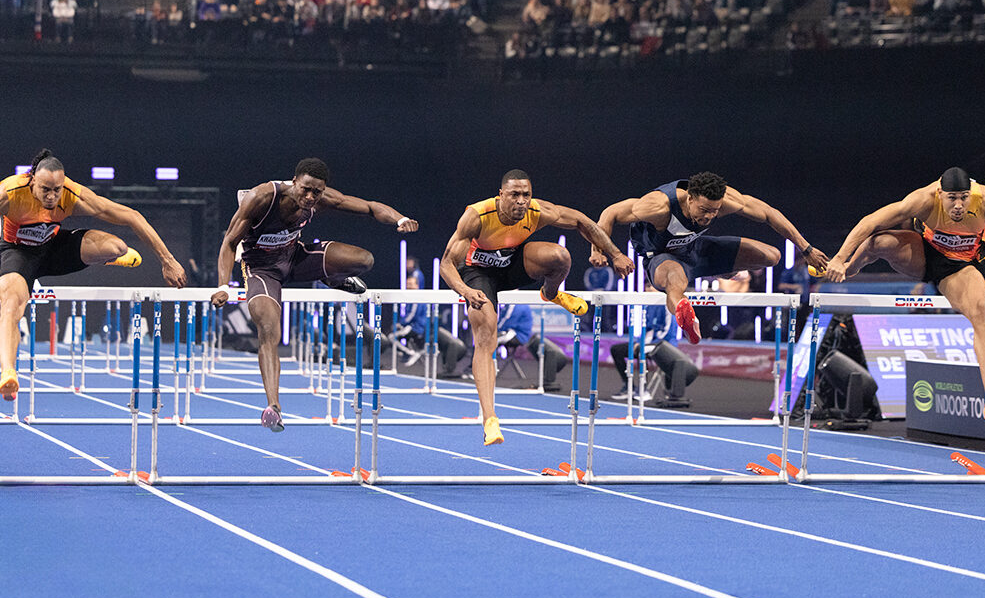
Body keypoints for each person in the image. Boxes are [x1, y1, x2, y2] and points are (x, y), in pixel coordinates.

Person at [210, 158, 418, 432]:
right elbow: (229, 242)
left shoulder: (322, 199)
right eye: (305, 189)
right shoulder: (262, 197)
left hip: (295, 258)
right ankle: (273, 407)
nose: (310, 197)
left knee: (364, 260)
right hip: (261, 270)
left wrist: (399, 218)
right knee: (269, 329)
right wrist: (223, 285)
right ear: (294, 182)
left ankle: (330, 277)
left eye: (316, 192)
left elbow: (369, 207)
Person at [440, 169, 634, 445]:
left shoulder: (538, 210)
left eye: (526, 195)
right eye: (514, 195)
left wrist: (614, 253)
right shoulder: (477, 215)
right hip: (477, 273)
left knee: (560, 256)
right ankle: (490, 419)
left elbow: (582, 221)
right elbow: (446, 264)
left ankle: (551, 293)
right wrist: (465, 291)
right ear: (501, 196)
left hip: (513, 265)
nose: (521, 201)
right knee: (486, 334)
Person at [822, 167, 985, 426]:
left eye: (963, 197)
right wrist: (839, 258)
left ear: (971, 194)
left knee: (980, 313)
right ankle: (847, 270)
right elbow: (871, 221)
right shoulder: (923, 199)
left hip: (962, 266)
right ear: (940, 193)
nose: (958, 205)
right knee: (878, 242)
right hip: (925, 253)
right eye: (952, 198)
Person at [0, 149, 187, 400]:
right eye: (45, 189)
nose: (52, 196)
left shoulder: (73, 195)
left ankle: (108, 259)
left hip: (54, 248)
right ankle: (9, 372)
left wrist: (168, 260)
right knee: (11, 305)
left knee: (117, 246)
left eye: (57, 189)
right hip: (17, 253)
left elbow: (132, 216)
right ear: (32, 180)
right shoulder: (10, 194)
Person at [590, 171, 829, 344]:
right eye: (703, 211)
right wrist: (605, 252)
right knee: (675, 282)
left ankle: (717, 269)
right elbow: (609, 214)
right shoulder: (658, 206)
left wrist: (806, 250)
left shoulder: (727, 201)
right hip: (662, 258)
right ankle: (686, 317)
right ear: (690, 198)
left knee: (772, 256)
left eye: (714, 212)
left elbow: (769, 214)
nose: (708, 217)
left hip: (697, 250)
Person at [610, 281, 678, 399]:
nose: (650, 289)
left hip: (664, 344)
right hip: (647, 343)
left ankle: (643, 389)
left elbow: (667, 330)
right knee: (616, 350)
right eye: (647, 286)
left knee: (641, 350)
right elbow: (645, 329)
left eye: (652, 286)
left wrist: (645, 344)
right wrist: (638, 342)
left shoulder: (667, 303)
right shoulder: (648, 305)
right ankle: (628, 387)